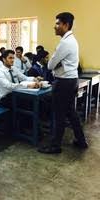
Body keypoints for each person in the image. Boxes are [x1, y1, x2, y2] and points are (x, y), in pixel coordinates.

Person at [38, 12, 88, 154]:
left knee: (59, 114)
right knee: (70, 112)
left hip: (64, 82)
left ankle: (55, 146)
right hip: (71, 81)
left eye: (58, 24)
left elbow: (50, 65)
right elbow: (55, 63)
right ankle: (81, 140)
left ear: (66, 25)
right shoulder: (72, 40)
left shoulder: (65, 43)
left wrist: (55, 61)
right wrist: (56, 61)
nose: (55, 27)